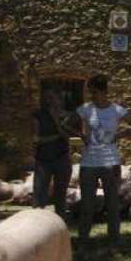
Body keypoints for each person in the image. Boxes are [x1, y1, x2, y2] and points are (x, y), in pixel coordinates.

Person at [71, 74, 131, 258]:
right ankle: (82, 246)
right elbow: (66, 124)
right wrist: (82, 135)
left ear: (103, 91)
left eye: (94, 92)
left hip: (110, 162)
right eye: (90, 92)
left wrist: (118, 137)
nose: (91, 95)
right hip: (88, 163)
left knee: (112, 206)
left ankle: (113, 246)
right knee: (87, 207)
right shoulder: (86, 109)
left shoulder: (116, 110)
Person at [32, 87, 75, 217]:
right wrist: (56, 136)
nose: (47, 100)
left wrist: (55, 119)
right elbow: (36, 139)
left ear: (58, 99)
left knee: (60, 195)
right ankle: (36, 223)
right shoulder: (38, 115)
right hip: (43, 159)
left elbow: (68, 137)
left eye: (50, 97)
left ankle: (59, 224)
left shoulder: (67, 116)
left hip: (62, 158)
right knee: (39, 194)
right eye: (45, 97)